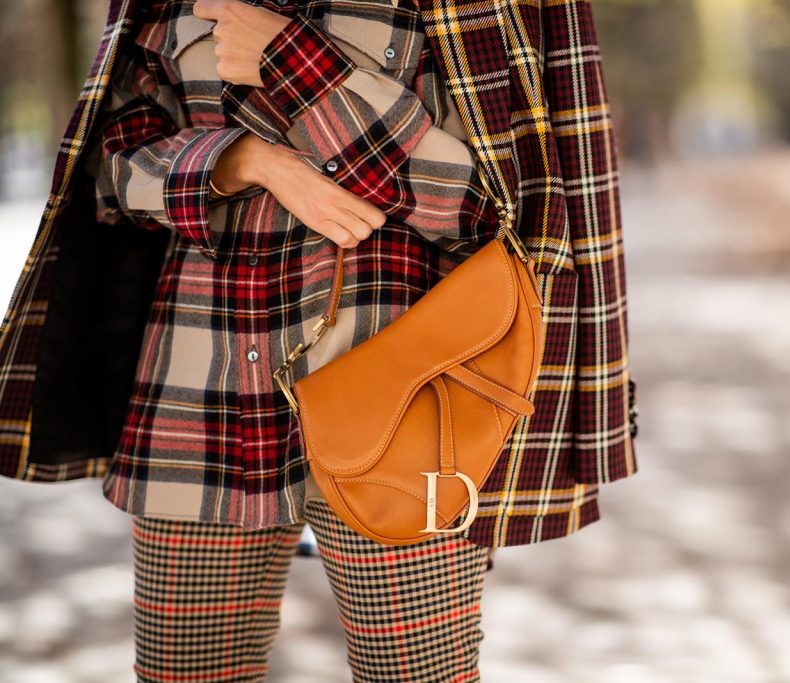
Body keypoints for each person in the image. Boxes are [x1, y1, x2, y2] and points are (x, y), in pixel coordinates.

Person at [0, 0, 637, 679]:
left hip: (401, 406)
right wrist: (245, 160)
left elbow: (488, 205)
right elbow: (109, 172)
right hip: (193, 399)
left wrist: (296, 64)